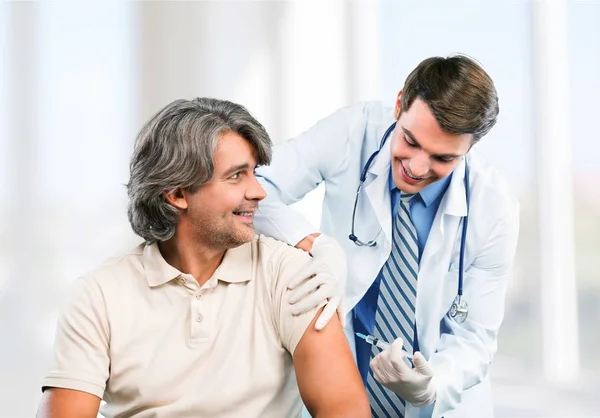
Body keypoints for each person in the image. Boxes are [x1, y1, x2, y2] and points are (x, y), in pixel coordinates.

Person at [37, 98, 371, 418]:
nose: (259, 192)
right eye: (237, 175)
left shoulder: (290, 275)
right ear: (178, 194)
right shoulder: (99, 295)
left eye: (254, 172)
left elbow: (345, 409)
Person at [254, 54, 520, 418]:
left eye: (442, 158)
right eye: (410, 140)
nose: (416, 167)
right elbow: (256, 187)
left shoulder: (494, 208)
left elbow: (475, 339)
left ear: (469, 148)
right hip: (344, 381)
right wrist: (316, 244)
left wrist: (431, 386)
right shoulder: (353, 132)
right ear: (399, 104)